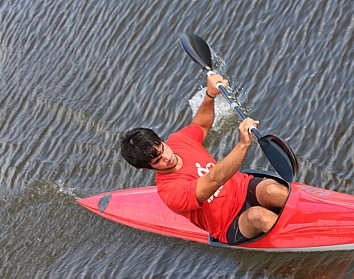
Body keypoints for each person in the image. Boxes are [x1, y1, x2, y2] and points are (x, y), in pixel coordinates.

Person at [120, 73, 289, 244]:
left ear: (161, 140)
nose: (167, 157)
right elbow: (214, 179)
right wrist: (243, 144)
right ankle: (297, 239)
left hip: (244, 188)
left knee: (272, 191)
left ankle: (308, 213)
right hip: (230, 223)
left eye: (162, 148)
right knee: (257, 216)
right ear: (146, 168)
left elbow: (201, 124)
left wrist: (210, 95)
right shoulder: (170, 192)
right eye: (157, 161)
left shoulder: (179, 140)